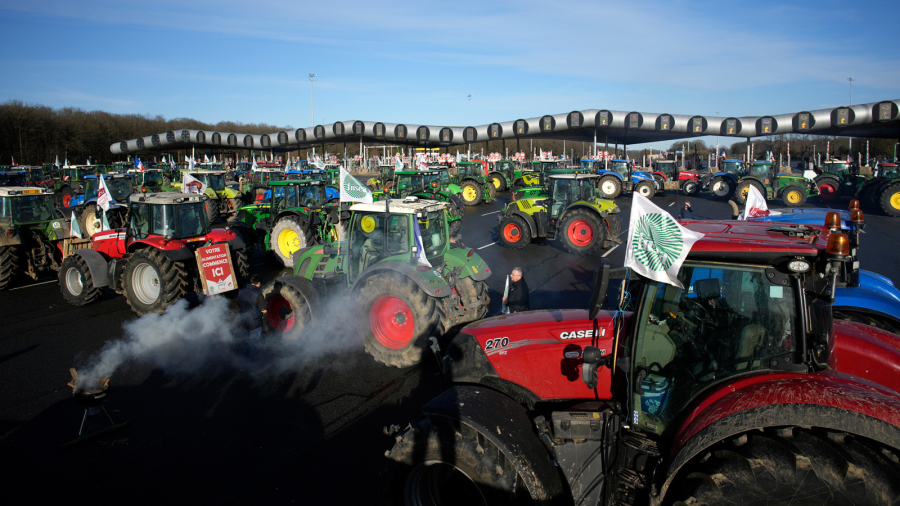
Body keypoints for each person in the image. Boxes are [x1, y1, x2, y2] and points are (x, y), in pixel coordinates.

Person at [238, 274, 267, 360]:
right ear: (258, 283)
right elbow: (264, 310)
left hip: (244, 322)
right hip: (255, 324)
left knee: (245, 342)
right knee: (254, 345)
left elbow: (238, 305)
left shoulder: (241, 291)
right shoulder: (258, 294)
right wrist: (267, 305)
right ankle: (252, 365)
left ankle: (243, 362)